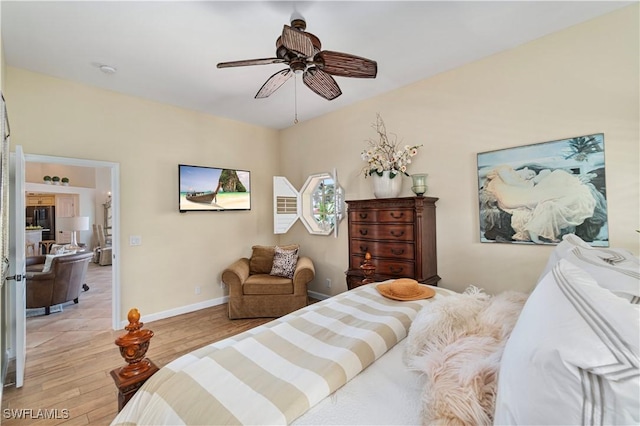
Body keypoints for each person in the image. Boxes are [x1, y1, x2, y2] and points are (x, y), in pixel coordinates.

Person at [483, 165, 597, 243]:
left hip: (518, 196)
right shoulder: (504, 168)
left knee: (559, 182)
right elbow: (511, 182)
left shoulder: (524, 182)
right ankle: (575, 184)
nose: (530, 176)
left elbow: (526, 185)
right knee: (558, 178)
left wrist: (531, 182)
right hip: (513, 197)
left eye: (532, 175)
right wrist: (532, 182)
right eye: (530, 173)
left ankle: (575, 184)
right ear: (525, 168)